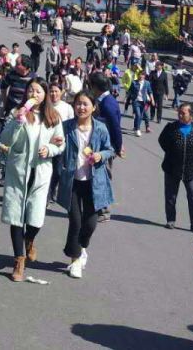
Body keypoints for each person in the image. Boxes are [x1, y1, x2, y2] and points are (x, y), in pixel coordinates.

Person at [0, 79, 65, 281]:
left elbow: (60, 144)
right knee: (16, 216)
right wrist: (17, 120)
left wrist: (50, 149)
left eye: (38, 91)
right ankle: (19, 260)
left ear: (45, 95)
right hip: (18, 170)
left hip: (41, 172)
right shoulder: (16, 113)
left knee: (35, 219)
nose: (34, 94)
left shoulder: (53, 117)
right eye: (31, 90)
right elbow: (5, 140)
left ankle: (30, 240)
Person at [54, 91, 115, 279]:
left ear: (93, 107)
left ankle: (82, 247)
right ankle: (75, 260)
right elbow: (57, 147)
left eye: (85, 104)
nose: (81, 107)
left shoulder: (101, 129)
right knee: (75, 221)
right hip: (71, 180)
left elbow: (110, 150)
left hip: (93, 182)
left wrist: (100, 155)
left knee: (90, 224)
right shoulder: (65, 127)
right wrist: (56, 143)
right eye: (78, 104)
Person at [158, 104, 193, 230]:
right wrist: (172, 153)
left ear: (191, 115)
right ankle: (170, 219)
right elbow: (162, 141)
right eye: (179, 112)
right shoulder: (170, 128)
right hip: (171, 167)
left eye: (183, 113)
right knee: (170, 195)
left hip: (191, 169)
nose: (180, 115)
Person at [89, 72, 124, 223]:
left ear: (96, 87)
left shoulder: (108, 103)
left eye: (90, 85)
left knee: (103, 177)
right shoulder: (102, 100)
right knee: (97, 176)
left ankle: (104, 210)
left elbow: (116, 128)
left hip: (106, 147)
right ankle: (97, 207)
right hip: (98, 145)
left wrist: (117, 147)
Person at [128, 70, 153, 136]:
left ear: (144, 76)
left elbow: (150, 91)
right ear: (138, 75)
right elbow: (130, 91)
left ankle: (136, 126)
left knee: (140, 116)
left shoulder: (147, 83)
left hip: (143, 102)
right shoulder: (134, 82)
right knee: (138, 115)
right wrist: (126, 99)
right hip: (136, 101)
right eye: (140, 74)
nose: (141, 76)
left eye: (142, 75)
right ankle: (138, 129)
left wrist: (152, 99)